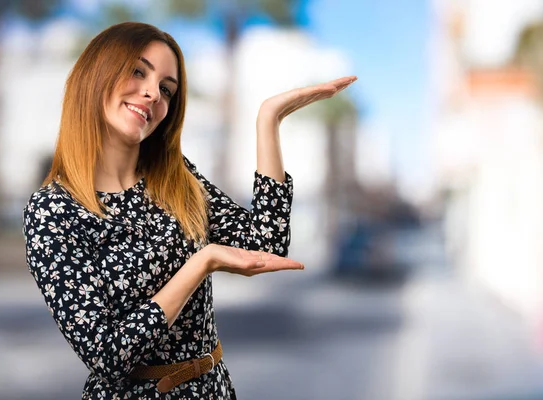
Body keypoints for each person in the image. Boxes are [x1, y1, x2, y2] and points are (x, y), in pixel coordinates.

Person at [22, 21, 356, 399]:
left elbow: (266, 246)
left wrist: (269, 120)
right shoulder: (52, 210)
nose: (152, 94)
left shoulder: (175, 178)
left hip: (212, 388)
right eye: (137, 71)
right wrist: (201, 262)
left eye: (166, 89)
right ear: (96, 75)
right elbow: (106, 354)